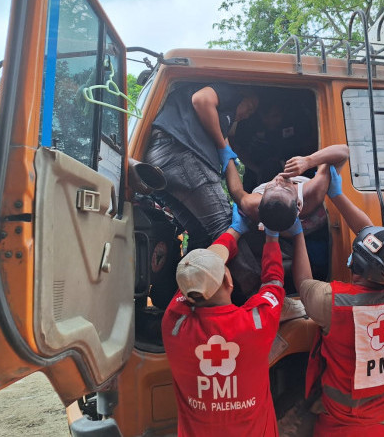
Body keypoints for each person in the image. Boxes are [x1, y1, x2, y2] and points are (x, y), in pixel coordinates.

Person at [290, 165, 384, 436]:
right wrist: (338, 196)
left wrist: (296, 232)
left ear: (357, 267)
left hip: (343, 427)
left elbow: (302, 283)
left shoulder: (333, 303)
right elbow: (373, 236)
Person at [161, 205, 287, 436]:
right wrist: (270, 236)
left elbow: (193, 278)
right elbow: (273, 282)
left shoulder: (174, 325)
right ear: (229, 281)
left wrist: (234, 231)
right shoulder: (257, 323)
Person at [144, 82, 258, 250]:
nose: (248, 115)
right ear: (242, 94)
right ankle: (248, 277)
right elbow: (201, 100)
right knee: (226, 229)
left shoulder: (218, 124)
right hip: (180, 154)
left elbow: (227, 153)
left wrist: (240, 196)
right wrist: (222, 146)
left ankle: (190, 275)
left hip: (158, 161)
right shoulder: (231, 92)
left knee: (201, 232)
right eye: (249, 107)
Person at [225, 144, 349, 235]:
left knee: (270, 168)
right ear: (299, 203)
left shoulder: (251, 204)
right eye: (286, 189)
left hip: (294, 225)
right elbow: (343, 152)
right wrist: (308, 161)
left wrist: (226, 153)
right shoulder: (312, 193)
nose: (279, 180)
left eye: (272, 187)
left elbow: (236, 191)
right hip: (300, 224)